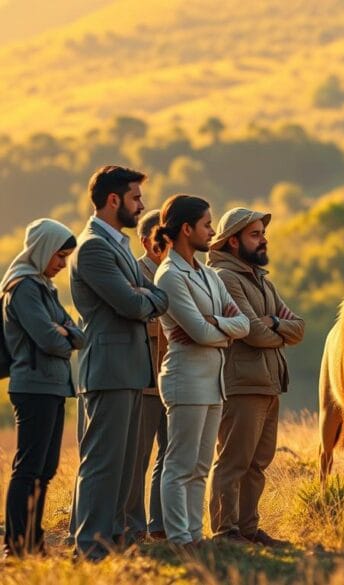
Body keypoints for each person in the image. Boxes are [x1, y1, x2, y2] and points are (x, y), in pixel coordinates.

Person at [70, 165, 169, 561]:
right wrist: (144, 298)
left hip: (129, 369)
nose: (141, 205)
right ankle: (90, 549)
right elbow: (132, 303)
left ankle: (115, 541)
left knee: (126, 466)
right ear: (114, 200)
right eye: (135, 198)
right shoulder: (93, 247)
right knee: (103, 464)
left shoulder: (118, 245)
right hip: (108, 369)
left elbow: (157, 296)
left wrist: (145, 297)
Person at [154, 195, 249, 548]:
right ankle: (180, 539)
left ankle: (195, 536)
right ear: (186, 229)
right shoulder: (169, 275)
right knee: (180, 465)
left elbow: (243, 324)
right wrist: (221, 329)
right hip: (186, 379)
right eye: (207, 225)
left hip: (213, 382)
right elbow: (199, 332)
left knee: (200, 468)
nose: (211, 231)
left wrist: (216, 324)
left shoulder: (208, 274)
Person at [207, 208, 304, 546]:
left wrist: (274, 323)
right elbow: (253, 333)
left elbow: (298, 327)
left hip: (269, 384)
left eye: (263, 233)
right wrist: (276, 331)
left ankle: (248, 530)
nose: (264, 240)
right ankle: (225, 532)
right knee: (233, 461)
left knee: (257, 464)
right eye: (255, 234)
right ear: (233, 241)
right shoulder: (225, 278)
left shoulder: (262, 281)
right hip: (242, 384)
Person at [1, 219, 83, 557]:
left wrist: (66, 332)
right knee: (29, 468)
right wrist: (63, 334)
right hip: (33, 386)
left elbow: (79, 333)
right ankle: (16, 545)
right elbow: (49, 339)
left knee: (45, 469)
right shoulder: (24, 288)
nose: (63, 264)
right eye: (59, 256)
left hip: (53, 386)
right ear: (43, 250)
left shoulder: (44, 287)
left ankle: (33, 541)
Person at [124, 210, 169, 541]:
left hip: (173, 378)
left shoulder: (177, 271)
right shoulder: (133, 273)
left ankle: (160, 524)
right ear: (145, 241)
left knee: (170, 456)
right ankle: (132, 525)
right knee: (137, 457)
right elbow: (135, 321)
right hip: (144, 379)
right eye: (161, 237)